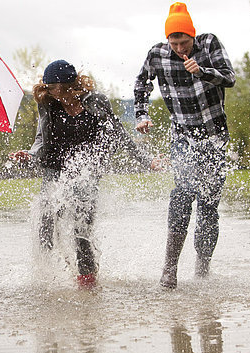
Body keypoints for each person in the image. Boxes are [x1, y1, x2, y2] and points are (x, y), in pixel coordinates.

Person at [10, 60, 163, 288]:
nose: (49, 91)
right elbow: (41, 139)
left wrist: (146, 160)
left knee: (81, 229)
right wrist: (30, 156)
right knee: (45, 222)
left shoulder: (97, 102)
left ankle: (87, 283)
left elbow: (119, 134)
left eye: (53, 87)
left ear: (67, 85)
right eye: (48, 87)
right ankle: (46, 278)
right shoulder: (48, 104)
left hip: (86, 171)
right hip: (55, 170)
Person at [134, 2, 236, 289]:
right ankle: (169, 269)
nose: (180, 48)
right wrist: (141, 114)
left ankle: (202, 268)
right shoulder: (157, 54)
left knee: (208, 205)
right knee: (182, 192)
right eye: (174, 42)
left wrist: (202, 70)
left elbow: (229, 77)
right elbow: (141, 83)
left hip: (215, 136)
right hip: (182, 137)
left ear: (193, 35)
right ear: (167, 40)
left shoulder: (209, 43)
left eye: (184, 42)